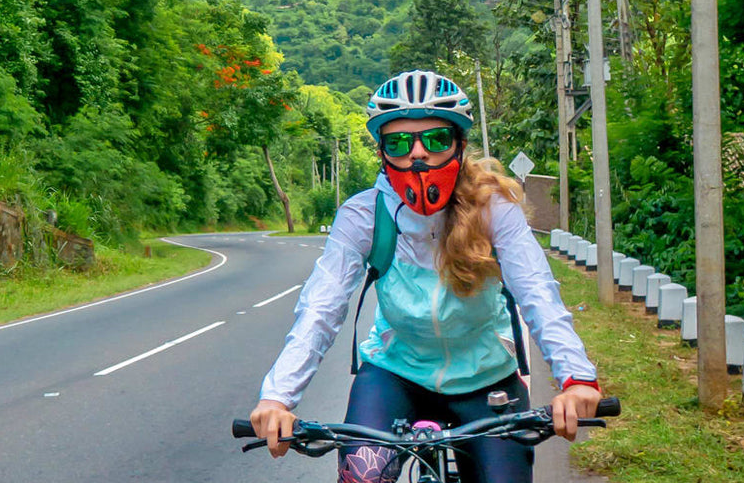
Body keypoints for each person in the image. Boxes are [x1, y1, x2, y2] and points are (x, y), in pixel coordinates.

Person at [248, 70, 601, 483]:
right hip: (397, 373)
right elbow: (322, 306)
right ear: (382, 152)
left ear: (459, 145)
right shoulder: (364, 215)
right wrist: (278, 397)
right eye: (399, 143)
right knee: (361, 474)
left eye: (434, 140)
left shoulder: (494, 210)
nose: (418, 155)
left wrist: (576, 378)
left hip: (486, 379)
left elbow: (537, 294)